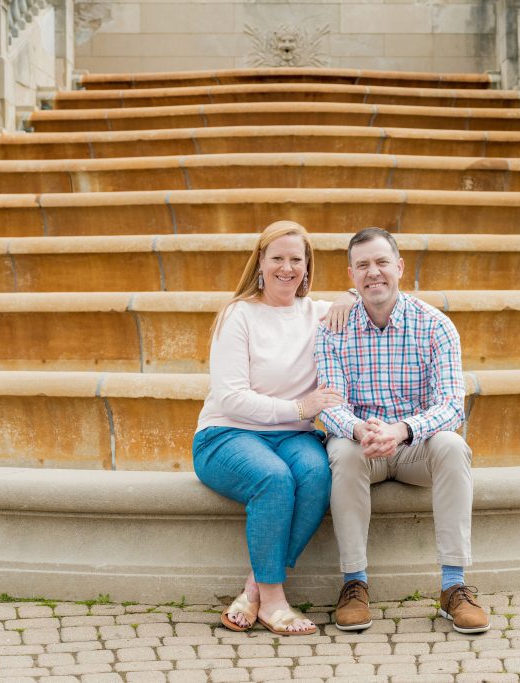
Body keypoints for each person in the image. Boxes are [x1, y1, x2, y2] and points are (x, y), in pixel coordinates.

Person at [314, 227, 490, 634]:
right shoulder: (331, 329)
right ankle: (354, 584)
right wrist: (360, 430)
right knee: (340, 451)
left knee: (451, 444)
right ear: (351, 275)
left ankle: (453, 586)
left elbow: (451, 406)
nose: (373, 273)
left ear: (399, 266)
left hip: (414, 448)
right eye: (363, 266)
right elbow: (331, 405)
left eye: (381, 262)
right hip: (363, 447)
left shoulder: (436, 326)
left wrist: (402, 430)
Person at [192, 220, 353, 636]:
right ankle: (275, 600)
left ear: (307, 266)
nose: (287, 268)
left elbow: (374, 300)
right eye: (277, 258)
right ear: (260, 263)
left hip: (292, 436)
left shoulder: (318, 313)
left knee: (318, 475)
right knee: (274, 479)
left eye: (296, 259)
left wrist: (350, 294)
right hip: (226, 435)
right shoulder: (238, 315)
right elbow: (230, 397)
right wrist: (300, 406)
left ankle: (253, 590)